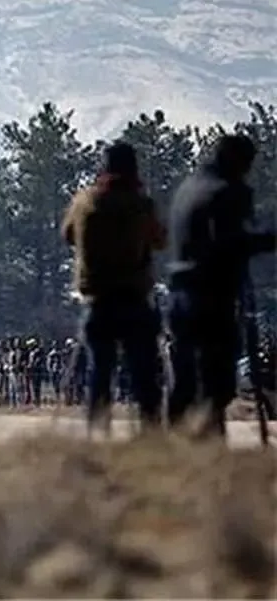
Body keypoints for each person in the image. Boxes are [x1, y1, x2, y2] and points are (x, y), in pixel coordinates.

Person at [166, 134, 276, 436]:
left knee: (186, 379)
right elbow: (230, 243)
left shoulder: (187, 189)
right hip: (210, 296)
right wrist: (268, 239)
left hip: (179, 294)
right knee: (218, 382)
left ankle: (172, 446)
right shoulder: (227, 191)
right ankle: (208, 443)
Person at [61, 141, 166, 435]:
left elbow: (67, 234)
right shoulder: (141, 204)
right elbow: (160, 240)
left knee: (99, 372)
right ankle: (151, 435)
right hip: (134, 298)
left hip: (98, 298)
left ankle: (97, 432)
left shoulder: (85, 201)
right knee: (144, 372)